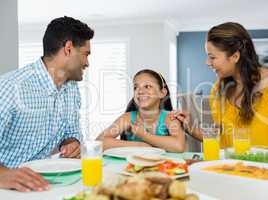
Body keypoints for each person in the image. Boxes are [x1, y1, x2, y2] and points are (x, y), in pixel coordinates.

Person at [172, 22, 268, 164]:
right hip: (229, 172)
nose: (207, 62)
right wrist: (190, 126)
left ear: (235, 56)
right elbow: (219, 138)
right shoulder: (218, 89)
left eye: (212, 57)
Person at [0, 16, 94, 191]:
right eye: (86, 54)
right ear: (68, 48)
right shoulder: (10, 87)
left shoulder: (71, 88)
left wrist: (71, 142)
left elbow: (71, 132)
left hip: (46, 185)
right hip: (8, 189)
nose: (87, 62)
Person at [97, 69, 185, 152]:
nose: (140, 91)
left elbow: (179, 146)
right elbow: (99, 142)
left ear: (162, 93)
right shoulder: (128, 118)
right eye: (136, 87)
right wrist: (138, 145)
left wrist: (144, 135)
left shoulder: (169, 118)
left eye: (147, 86)